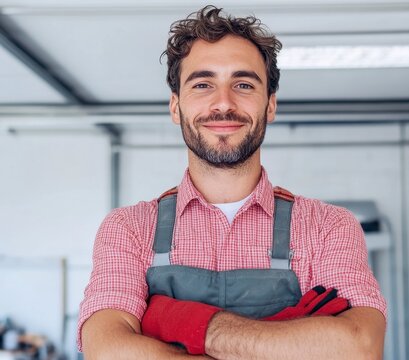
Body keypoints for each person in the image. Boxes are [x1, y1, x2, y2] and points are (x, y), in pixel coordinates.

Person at [78, 5, 387, 359]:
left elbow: (359, 348)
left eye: (243, 84)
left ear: (270, 105)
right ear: (175, 107)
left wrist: (178, 321)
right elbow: (105, 351)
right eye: (203, 84)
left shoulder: (328, 227)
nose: (223, 103)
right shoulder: (129, 229)